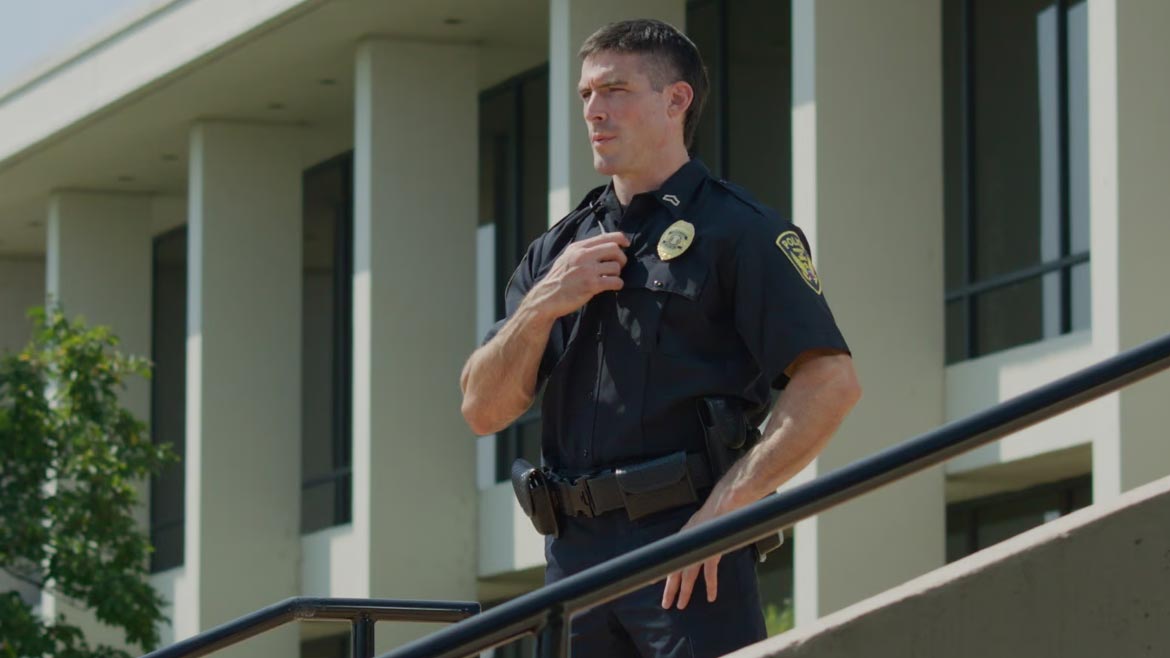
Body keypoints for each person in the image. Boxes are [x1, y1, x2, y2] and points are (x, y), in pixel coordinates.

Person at [460, 18, 861, 658]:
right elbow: (483, 409)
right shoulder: (558, 249)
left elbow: (830, 382)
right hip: (571, 560)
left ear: (677, 100)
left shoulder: (740, 230)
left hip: (685, 552)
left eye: (615, 89)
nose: (594, 110)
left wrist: (729, 509)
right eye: (586, 94)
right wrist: (543, 305)